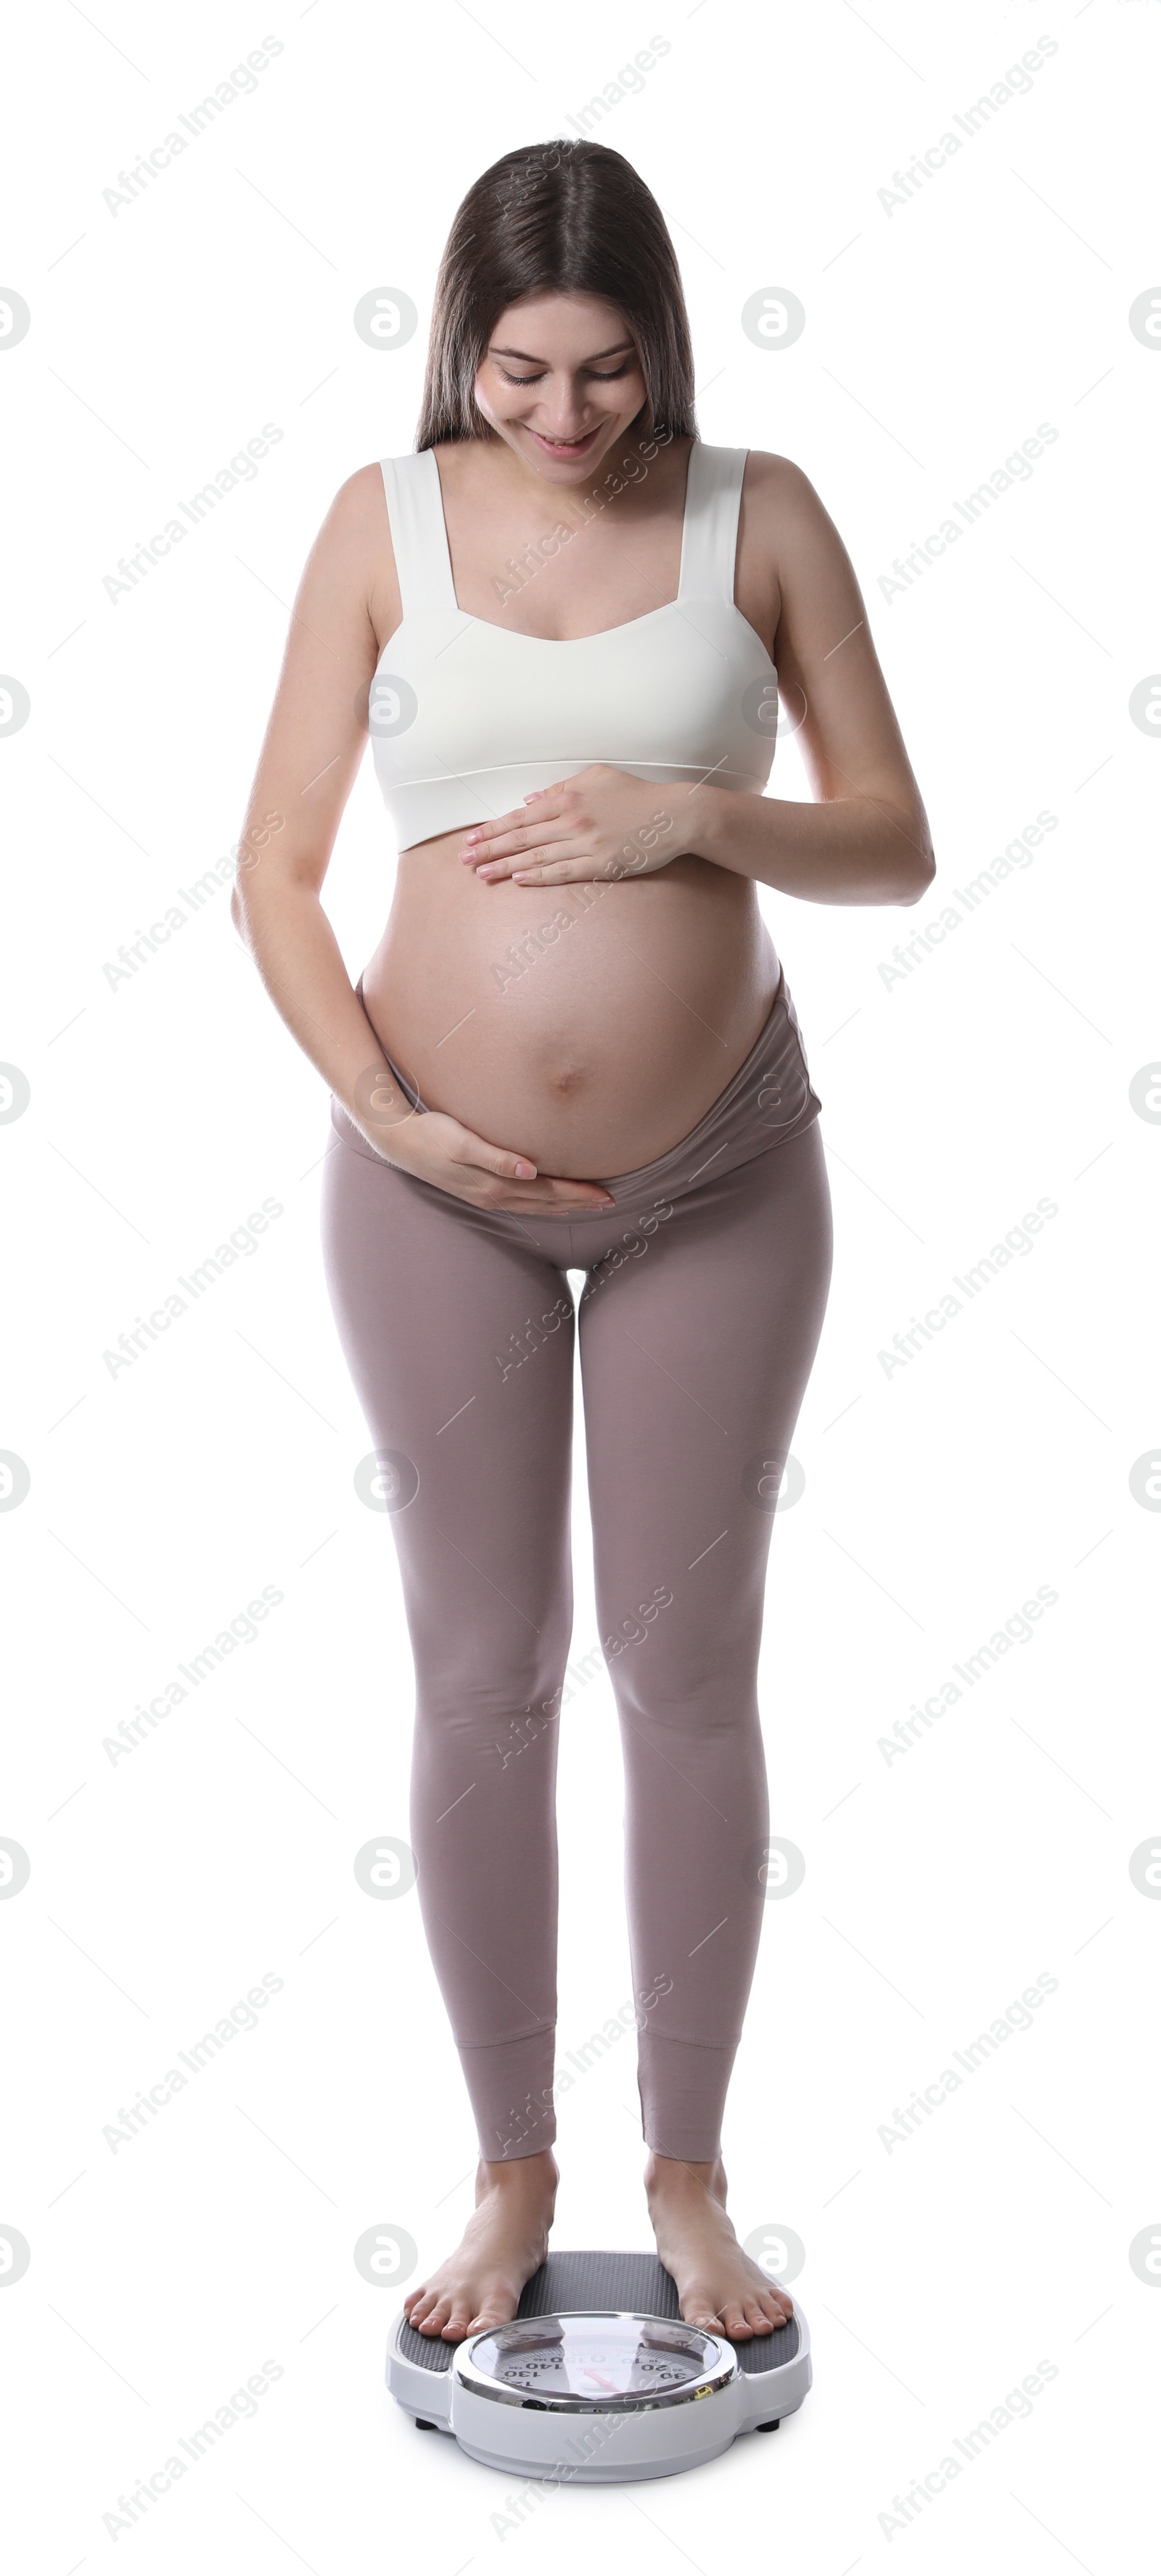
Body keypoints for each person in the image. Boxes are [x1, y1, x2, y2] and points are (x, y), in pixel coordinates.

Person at [231, 137, 933, 2352]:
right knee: (480, 1674)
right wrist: (389, 1107)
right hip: (429, 1183)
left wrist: (695, 813)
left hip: (719, 1174)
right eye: (521, 369)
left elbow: (898, 845)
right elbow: (269, 869)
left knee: (687, 1674)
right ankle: (508, 2175)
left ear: (665, 345)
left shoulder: (766, 513)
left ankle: (697, 2184)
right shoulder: (382, 521)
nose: (562, 415)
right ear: (466, 340)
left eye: (607, 372)